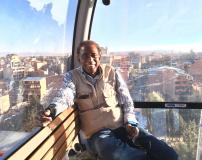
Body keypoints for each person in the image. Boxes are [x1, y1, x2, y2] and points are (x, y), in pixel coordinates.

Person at [40, 40, 178, 160]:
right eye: (85, 55)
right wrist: (52, 110)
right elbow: (65, 95)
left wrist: (130, 122)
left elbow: (127, 100)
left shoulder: (112, 72)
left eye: (93, 55)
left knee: (169, 155)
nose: (90, 59)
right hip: (98, 135)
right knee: (108, 148)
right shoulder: (72, 77)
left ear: (100, 56)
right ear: (78, 58)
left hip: (124, 126)